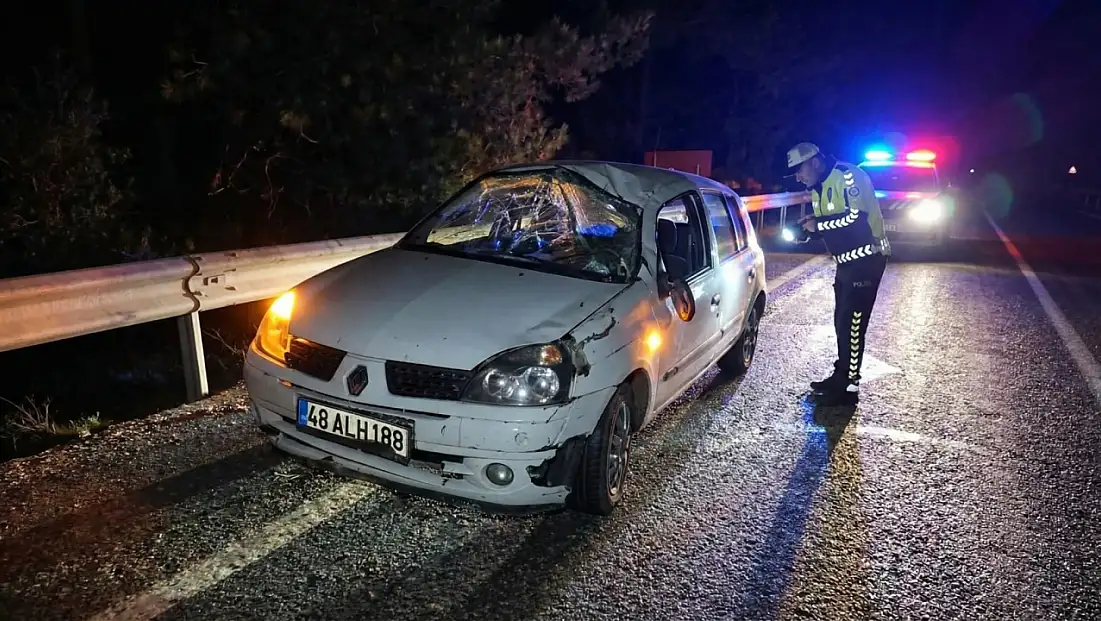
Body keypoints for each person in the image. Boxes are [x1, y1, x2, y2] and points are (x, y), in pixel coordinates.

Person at [786, 142, 891, 406]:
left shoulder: (848, 176)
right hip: (846, 263)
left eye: (799, 170)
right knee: (841, 322)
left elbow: (855, 219)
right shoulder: (817, 188)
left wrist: (818, 224)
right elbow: (834, 225)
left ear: (815, 162)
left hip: (867, 259)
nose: (798, 177)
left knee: (852, 324)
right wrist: (810, 230)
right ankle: (841, 375)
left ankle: (849, 386)